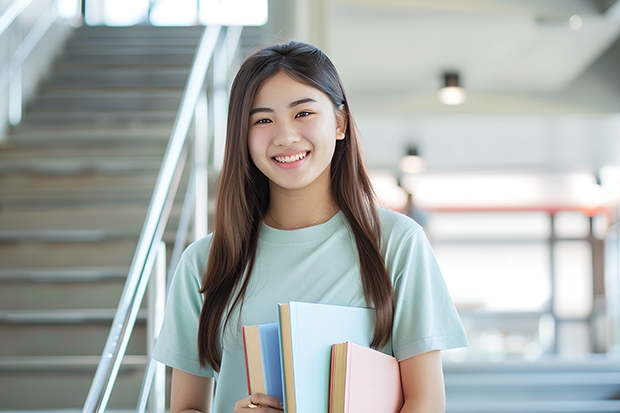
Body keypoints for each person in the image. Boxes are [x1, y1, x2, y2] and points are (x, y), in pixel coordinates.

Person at [152, 41, 468, 413]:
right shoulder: (204, 262)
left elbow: (426, 402)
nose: (285, 136)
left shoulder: (397, 244)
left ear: (339, 122)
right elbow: (185, 407)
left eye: (303, 113)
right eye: (263, 120)